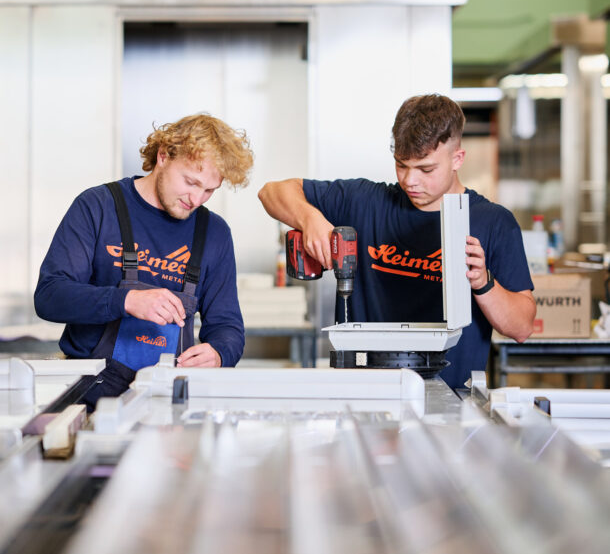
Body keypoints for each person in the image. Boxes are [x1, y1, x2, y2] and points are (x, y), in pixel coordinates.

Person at [258, 94, 535, 389]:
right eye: (401, 165)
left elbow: (521, 327)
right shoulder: (364, 202)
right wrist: (309, 219)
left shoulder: (493, 223)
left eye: (426, 169)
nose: (410, 181)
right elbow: (271, 192)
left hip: (451, 404)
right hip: (363, 397)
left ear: (457, 159)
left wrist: (483, 282)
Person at [35, 113, 254, 406]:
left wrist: (219, 353)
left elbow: (227, 324)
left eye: (209, 190)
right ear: (163, 156)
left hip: (170, 402)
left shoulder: (214, 233)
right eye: (191, 182)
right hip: (87, 400)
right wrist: (125, 301)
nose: (197, 199)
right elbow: (50, 296)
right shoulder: (98, 207)